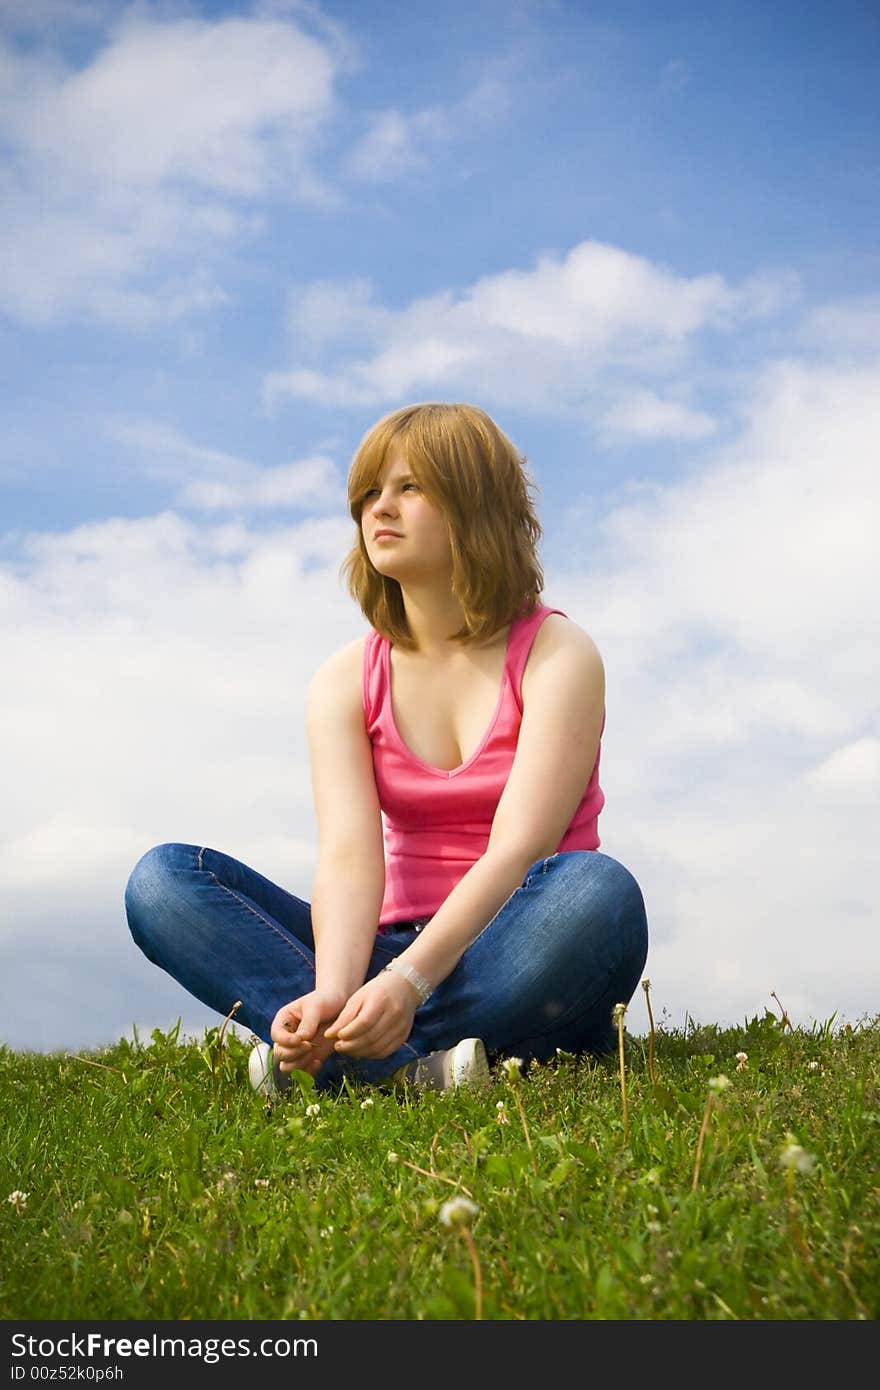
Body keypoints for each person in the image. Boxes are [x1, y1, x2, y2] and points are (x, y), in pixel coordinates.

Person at [124, 402, 648, 1096]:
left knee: (598, 889)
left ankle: (351, 1068)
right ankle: (400, 1064)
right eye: (369, 493)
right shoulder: (345, 679)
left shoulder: (558, 654)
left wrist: (407, 984)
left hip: (516, 948)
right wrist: (338, 991)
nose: (380, 509)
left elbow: (520, 850)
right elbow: (347, 858)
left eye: (410, 487)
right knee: (162, 882)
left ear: (476, 505)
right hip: (384, 951)